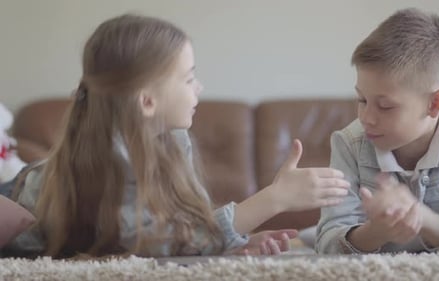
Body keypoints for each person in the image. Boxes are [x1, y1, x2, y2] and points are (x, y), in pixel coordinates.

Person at [3, 14, 350, 258]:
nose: (199, 87)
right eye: (188, 79)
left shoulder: (172, 141)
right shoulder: (111, 159)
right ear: (148, 101)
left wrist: (233, 243)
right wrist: (274, 199)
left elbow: (184, 231)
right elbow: (150, 241)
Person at [316, 8, 439, 254]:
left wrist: (420, 217)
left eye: (385, 106)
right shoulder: (349, 143)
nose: (366, 118)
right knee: (313, 236)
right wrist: (375, 232)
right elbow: (328, 245)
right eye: (362, 100)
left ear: (435, 104)